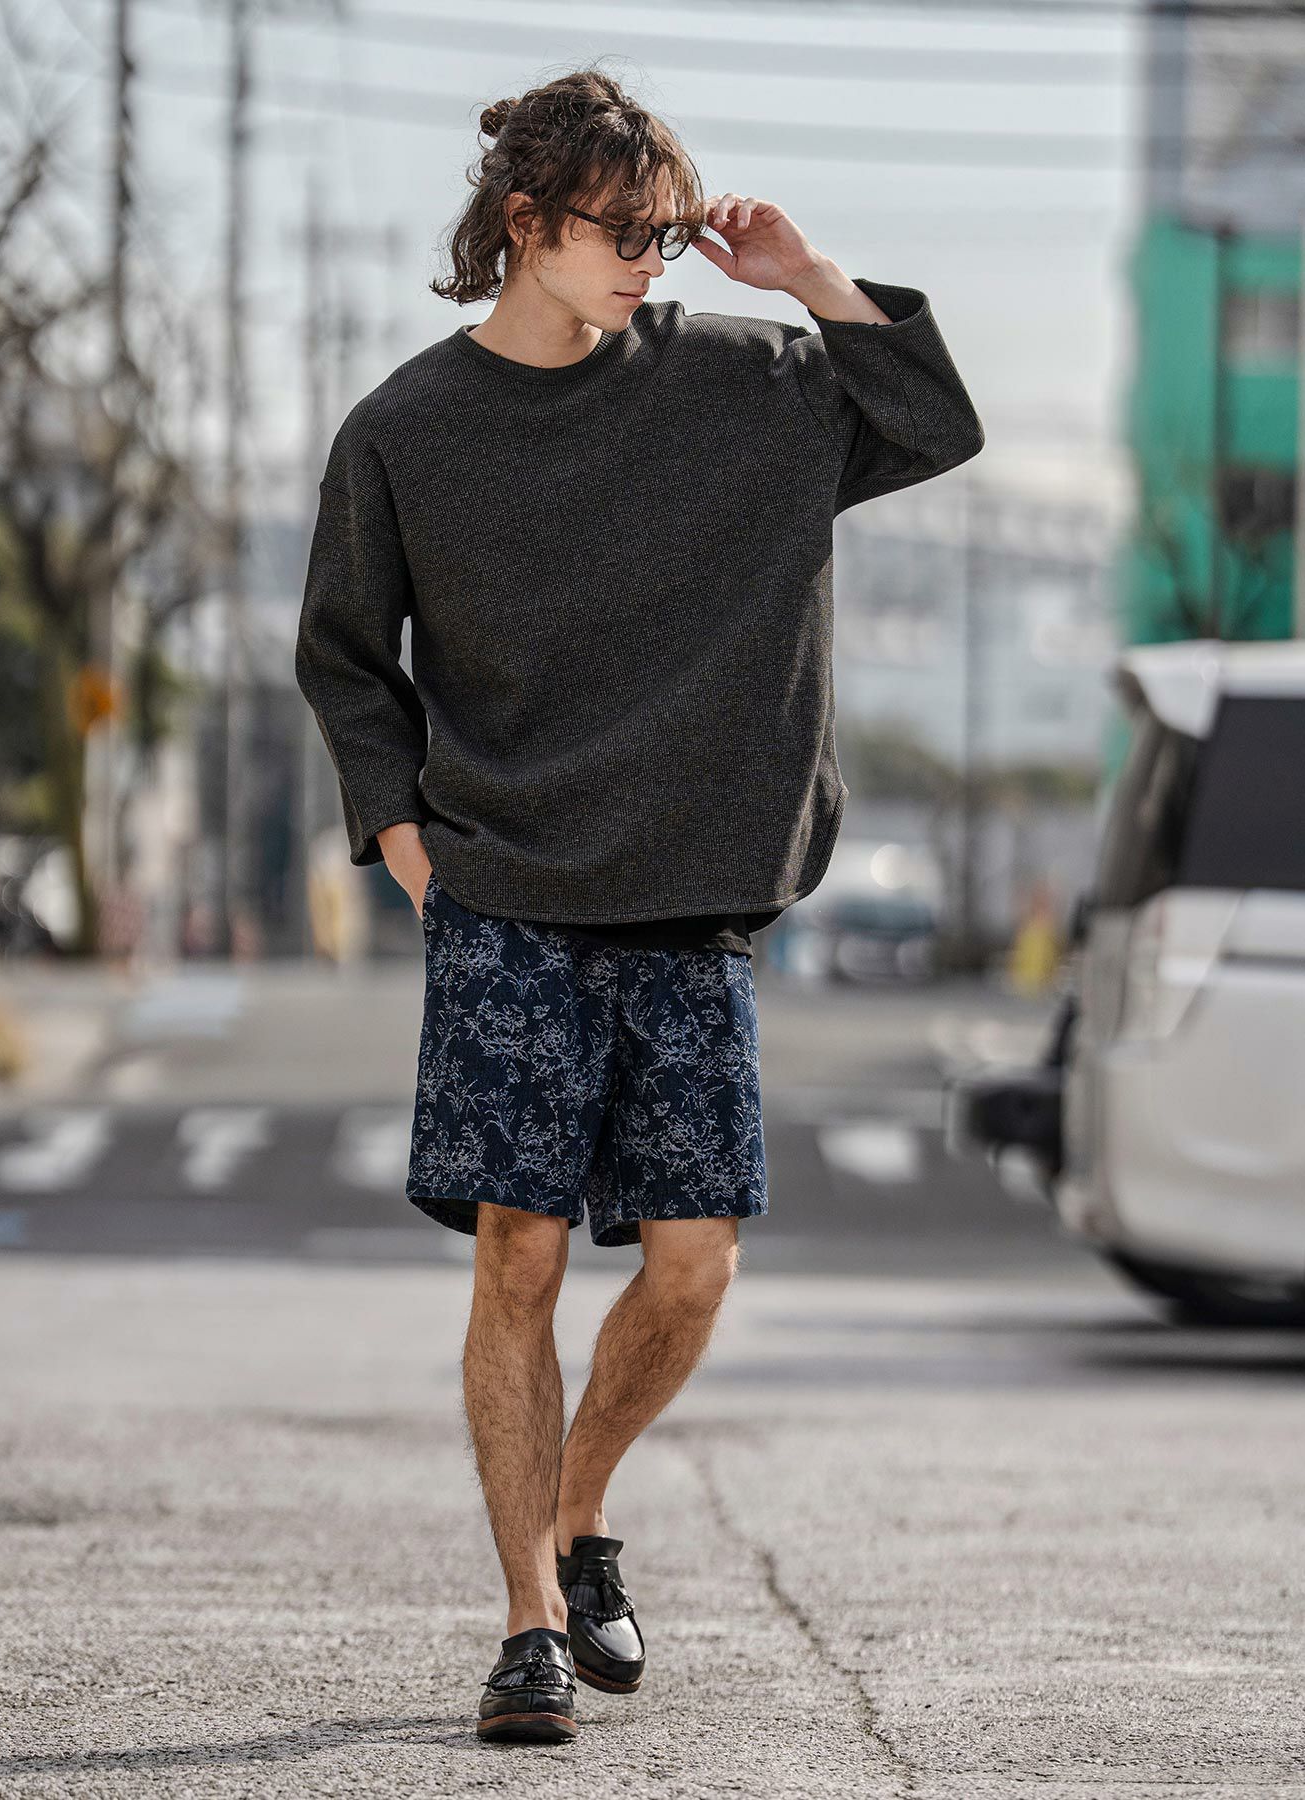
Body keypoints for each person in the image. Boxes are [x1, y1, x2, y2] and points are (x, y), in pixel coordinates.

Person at [295, 68, 984, 1745]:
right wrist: (407, 844)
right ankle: (528, 1621)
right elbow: (345, 659)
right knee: (519, 1254)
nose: (649, 264)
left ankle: (578, 1505)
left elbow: (934, 423)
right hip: (507, 895)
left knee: (691, 1270)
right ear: (524, 222)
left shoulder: (751, 385)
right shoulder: (404, 430)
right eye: (623, 234)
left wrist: (808, 280)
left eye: (665, 236)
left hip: (692, 902)